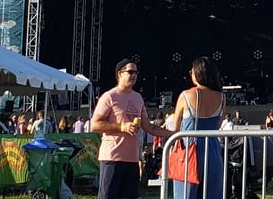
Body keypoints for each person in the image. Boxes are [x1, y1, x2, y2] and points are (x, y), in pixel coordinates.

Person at [91, 58, 173, 199]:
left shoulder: (138, 98)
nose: (134, 75)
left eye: (136, 72)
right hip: (112, 158)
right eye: (130, 72)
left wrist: (173, 134)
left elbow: (149, 127)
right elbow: (95, 124)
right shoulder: (109, 96)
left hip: (132, 160)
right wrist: (122, 126)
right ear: (119, 74)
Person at [172, 56, 225, 199]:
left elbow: (175, 128)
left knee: (185, 194)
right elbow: (219, 124)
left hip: (190, 151)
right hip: (213, 150)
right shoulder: (221, 97)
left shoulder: (186, 95)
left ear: (197, 73)